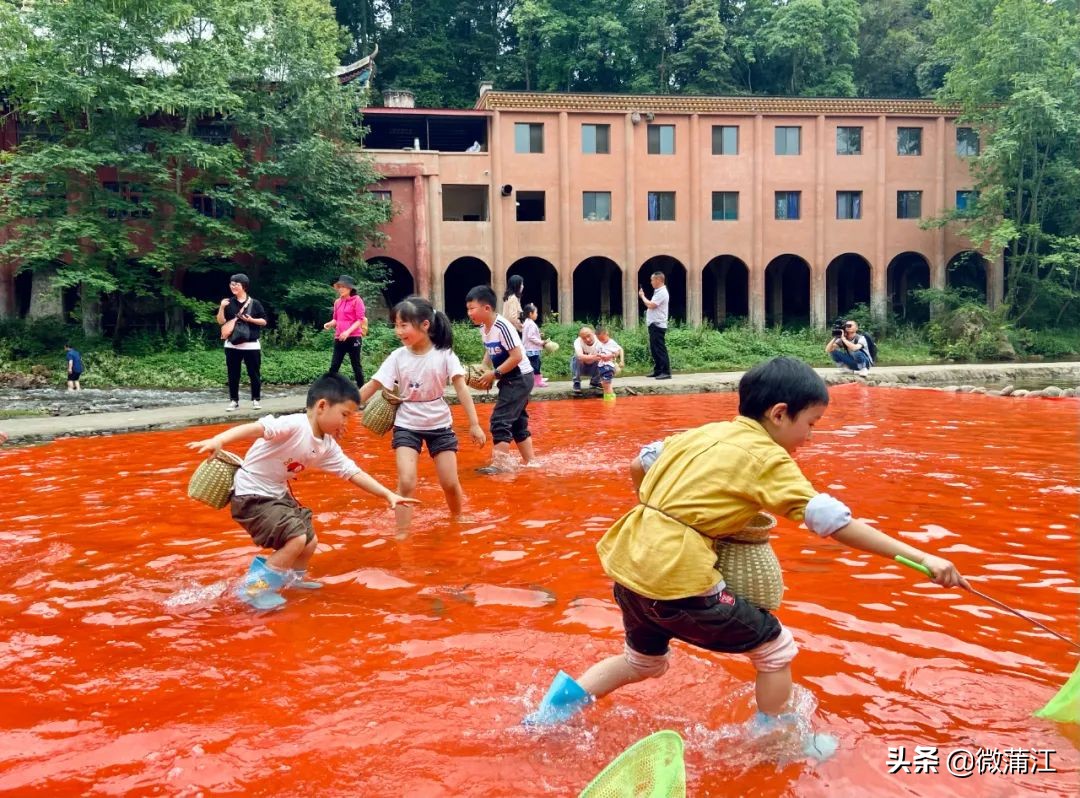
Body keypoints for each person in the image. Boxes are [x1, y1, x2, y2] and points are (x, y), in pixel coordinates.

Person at [525, 357, 967, 757]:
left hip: (629, 565)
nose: (809, 438)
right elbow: (832, 521)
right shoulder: (767, 457)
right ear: (779, 413)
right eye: (811, 424)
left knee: (643, 662)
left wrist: (661, 506)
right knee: (775, 648)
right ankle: (777, 745)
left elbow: (640, 461)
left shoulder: (703, 432)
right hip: (676, 577)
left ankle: (548, 716)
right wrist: (922, 557)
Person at [187, 373, 417, 610]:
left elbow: (352, 472)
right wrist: (219, 440)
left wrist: (388, 494)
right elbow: (257, 427)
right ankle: (254, 589)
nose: (345, 424)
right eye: (344, 415)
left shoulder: (326, 445)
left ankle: (293, 580)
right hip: (251, 495)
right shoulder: (294, 425)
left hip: (275, 494)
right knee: (295, 538)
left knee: (309, 541)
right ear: (322, 406)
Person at [360, 296, 486, 538]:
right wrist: (343, 407)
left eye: (403, 325)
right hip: (407, 424)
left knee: (449, 483)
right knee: (406, 481)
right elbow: (372, 385)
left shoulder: (445, 355)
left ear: (425, 325)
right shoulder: (398, 356)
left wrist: (475, 425)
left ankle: (458, 520)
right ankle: (402, 532)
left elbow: (461, 389)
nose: (398, 331)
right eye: (396, 325)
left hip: (439, 424)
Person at [465, 285, 537, 474]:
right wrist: (484, 368)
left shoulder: (502, 326)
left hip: (519, 376)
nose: (469, 313)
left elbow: (517, 356)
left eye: (472, 308)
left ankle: (499, 466)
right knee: (517, 422)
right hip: (510, 377)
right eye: (468, 309)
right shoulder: (484, 327)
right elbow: (490, 350)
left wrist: (494, 374)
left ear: (486, 308)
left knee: (500, 420)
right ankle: (532, 463)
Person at [217, 273, 267, 411]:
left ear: (244, 286)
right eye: (231, 284)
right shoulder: (228, 302)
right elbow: (221, 322)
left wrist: (250, 320)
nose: (233, 286)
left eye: (236, 284)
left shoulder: (255, 303)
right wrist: (221, 307)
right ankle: (234, 401)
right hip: (231, 344)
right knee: (233, 373)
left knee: (254, 373)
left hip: (251, 345)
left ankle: (256, 400)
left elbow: (264, 321)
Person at [323, 275, 367, 387]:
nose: (340, 289)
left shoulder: (357, 300)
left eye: (343, 286)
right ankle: (329, 392)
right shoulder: (337, 302)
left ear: (350, 288)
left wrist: (348, 332)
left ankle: (362, 393)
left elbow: (360, 320)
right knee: (334, 366)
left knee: (356, 366)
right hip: (339, 337)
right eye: (339, 286)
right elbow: (336, 319)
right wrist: (330, 323)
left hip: (354, 338)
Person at [638, 271, 670, 380]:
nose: (651, 282)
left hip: (658, 324)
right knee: (654, 348)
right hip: (653, 324)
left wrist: (642, 296)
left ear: (658, 280)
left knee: (660, 348)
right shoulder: (658, 291)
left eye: (652, 280)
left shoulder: (662, 292)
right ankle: (658, 370)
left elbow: (651, 305)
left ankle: (666, 372)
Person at [521, 303, 549, 388]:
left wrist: (539, 334)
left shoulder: (526, 322)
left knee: (532, 365)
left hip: (528, 349)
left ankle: (535, 379)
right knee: (535, 366)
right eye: (536, 313)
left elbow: (529, 335)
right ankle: (538, 381)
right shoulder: (531, 324)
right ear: (530, 314)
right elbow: (531, 337)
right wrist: (542, 342)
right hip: (532, 350)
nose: (537, 314)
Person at [594, 326, 624, 401]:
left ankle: (610, 401)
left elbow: (618, 351)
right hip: (601, 366)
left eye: (603, 339)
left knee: (607, 383)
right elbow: (597, 352)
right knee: (604, 384)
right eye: (599, 339)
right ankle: (607, 399)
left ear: (607, 334)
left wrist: (620, 360)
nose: (601, 341)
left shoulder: (611, 342)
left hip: (608, 366)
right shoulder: (599, 343)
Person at [570, 326, 603, 393]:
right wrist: (595, 357)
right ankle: (576, 383)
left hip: (594, 366)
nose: (587, 339)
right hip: (581, 366)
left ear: (593, 333)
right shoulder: (577, 341)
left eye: (589, 336)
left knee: (604, 360)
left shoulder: (600, 340)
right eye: (584, 338)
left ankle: (595, 381)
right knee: (575, 357)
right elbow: (579, 356)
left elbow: (604, 356)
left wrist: (587, 357)